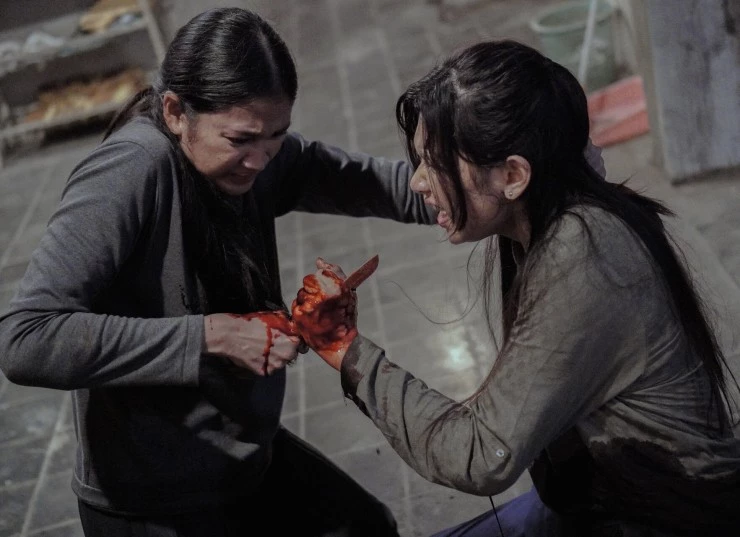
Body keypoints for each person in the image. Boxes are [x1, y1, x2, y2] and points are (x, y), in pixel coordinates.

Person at [0, 7, 442, 536]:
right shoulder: (132, 170)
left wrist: (463, 196)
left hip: (243, 459)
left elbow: (364, 180)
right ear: (175, 112)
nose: (260, 159)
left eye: (276, 136)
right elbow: (26, 339)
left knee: (368, 528)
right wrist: (211, 336)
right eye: (239, 140)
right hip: (153, 499)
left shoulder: (259, 153)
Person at [292, 40, 740, 537]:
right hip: (600, 495)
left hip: (663, 517)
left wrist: (345, 349)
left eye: (434, 163)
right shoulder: (557, 192)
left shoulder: (583, 255)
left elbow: (480, 454)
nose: (418, 182)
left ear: (513, 175)